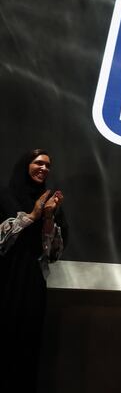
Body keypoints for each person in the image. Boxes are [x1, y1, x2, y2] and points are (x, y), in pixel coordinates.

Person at [0, 149, 67, 393]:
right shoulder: (6, 196)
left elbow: (54, 253)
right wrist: (33, 215)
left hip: (32, 281)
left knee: (28, 343)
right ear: (25, 165)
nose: (44, 169)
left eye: (48, 165)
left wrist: (48, 216)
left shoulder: (50, 201)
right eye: (38, 163)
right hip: (6, 278)